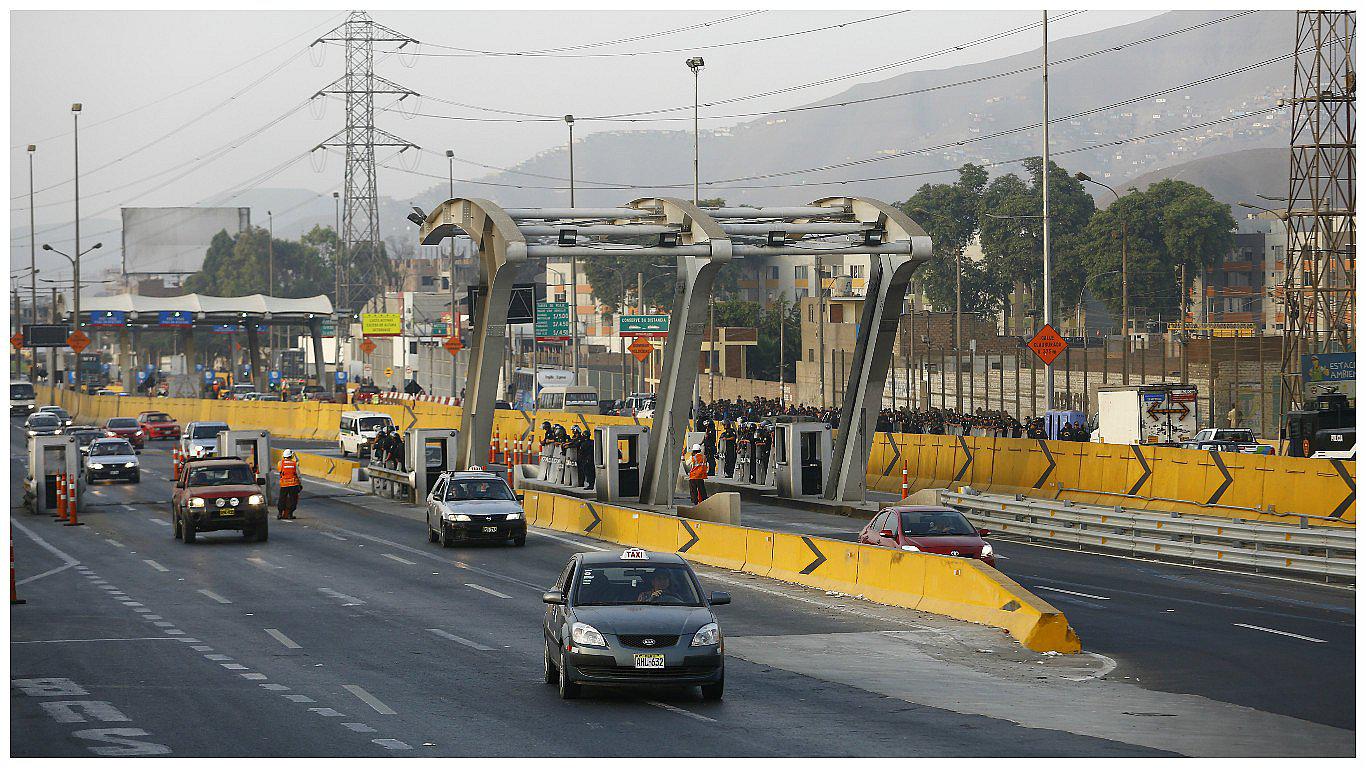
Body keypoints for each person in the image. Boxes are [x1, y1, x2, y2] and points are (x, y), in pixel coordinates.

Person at [277, 449, 301, 520]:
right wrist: (300, 484)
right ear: (291, 456)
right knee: (293, 499)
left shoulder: (280, 463)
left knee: (282, 499)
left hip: (284, 485)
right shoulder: (294, 464)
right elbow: (298, 475)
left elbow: (280, 471)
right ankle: (290, 514)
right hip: (293, 484)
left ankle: (280, 513)